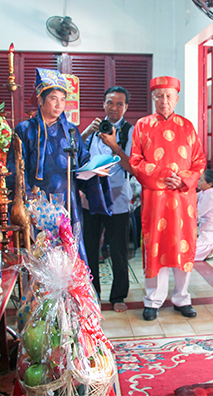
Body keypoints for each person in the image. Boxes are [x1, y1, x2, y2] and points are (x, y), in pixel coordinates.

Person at [6, 68, 111, 266]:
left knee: (69, 254)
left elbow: (82, 163)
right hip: (37, 203)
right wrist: (28, 201)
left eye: (62, 99)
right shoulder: (24, 130)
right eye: (53, 98)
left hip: (68, 203)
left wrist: (96, 171)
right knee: (40, 255)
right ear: (40, 100)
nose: (59, 104)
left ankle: (70, 297)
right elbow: (16, 169)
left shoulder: (71, 131)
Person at [129, 76, 207, 321]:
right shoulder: (142, 125)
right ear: (153, 97)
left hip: (183, 199)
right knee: (156, 247)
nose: (164, 101)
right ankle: (153, 300)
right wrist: (164, 176)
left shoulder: (187, 126)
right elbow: (135, 161)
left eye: (169, 96)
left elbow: (200, 161)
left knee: (183, 247)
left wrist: (183, 179)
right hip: (156, 199)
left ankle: (182, 298)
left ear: (177, 98)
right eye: (159, 96)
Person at [81, 86, 134, 312]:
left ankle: (118, 296)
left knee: (118, 250)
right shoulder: (93, 129)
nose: (114, 107)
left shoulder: (130, 131)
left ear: (126, 107)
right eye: (110, 103)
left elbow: (131, 165)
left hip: (117, 198)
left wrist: (114, 144)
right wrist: (84, 133)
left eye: (119, 104)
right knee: (90, 249)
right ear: (104, 104)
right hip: (90, 198)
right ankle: (92, 295)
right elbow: (75, 154)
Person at [195, 169, 213, 261]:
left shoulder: (211, 196)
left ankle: (212, 247)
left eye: (201, 180)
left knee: (188, 253)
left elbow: (196, 213)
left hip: (209, 233)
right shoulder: (204, 193)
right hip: (202, 230)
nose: (198, 182)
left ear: (209, 184)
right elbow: (191, 198)